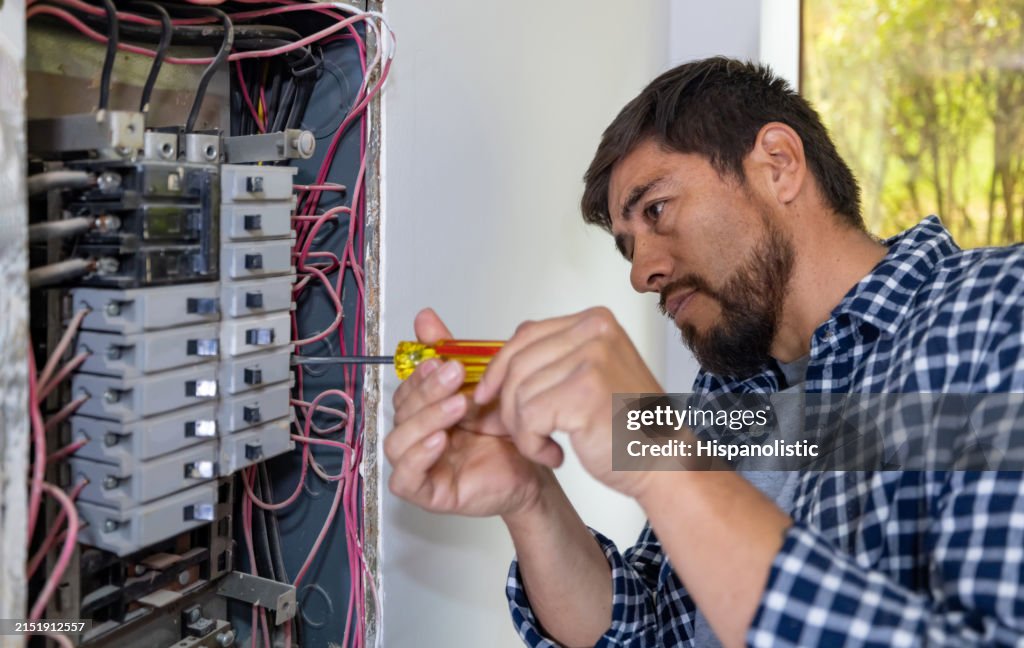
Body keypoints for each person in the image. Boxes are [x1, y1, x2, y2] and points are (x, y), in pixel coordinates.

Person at [384, 56, 1024, 647]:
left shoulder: (998, 310)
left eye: (657, 210)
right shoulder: (727, 398)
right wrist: (529, 495)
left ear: (778, 163)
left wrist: (668, 467)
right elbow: (650, 627)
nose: (641, 273)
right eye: (627, 246)